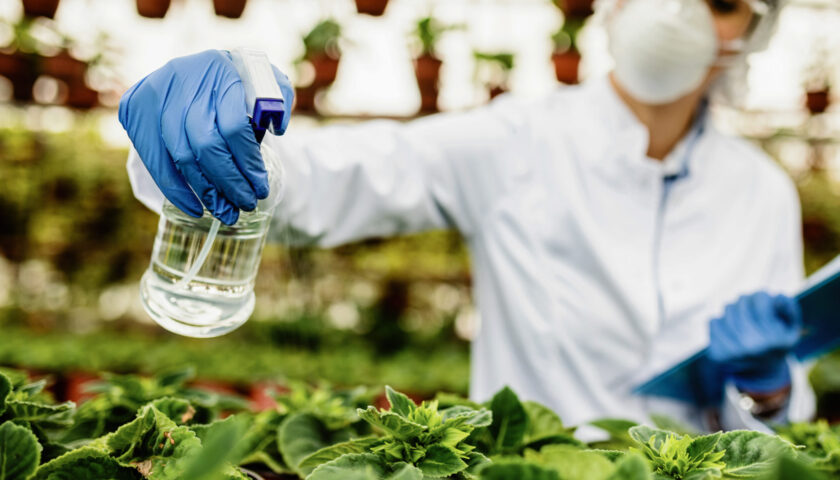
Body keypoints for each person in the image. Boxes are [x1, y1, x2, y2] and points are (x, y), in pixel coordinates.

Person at [120, 0, 815, 434]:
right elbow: (327, 181)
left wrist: (768, 389)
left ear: (755, 28)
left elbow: (780, 414)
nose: (679, 13)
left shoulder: (761, 193)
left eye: (720, 0)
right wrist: (208, 139)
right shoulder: (515, 141)